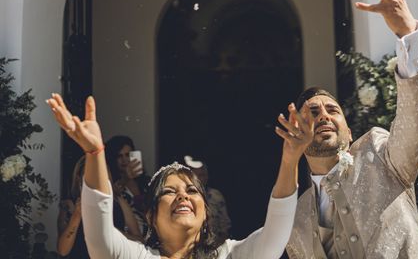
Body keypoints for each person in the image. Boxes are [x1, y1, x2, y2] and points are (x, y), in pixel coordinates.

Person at [286, 0, 418, 259]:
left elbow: (416, 123)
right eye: (312, 112)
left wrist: (408, 34)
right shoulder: (295, 215)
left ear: (349, 129)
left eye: (332, 110)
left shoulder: (379, 154)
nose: (324, 115)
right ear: (295, 131)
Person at [46, 94, 313, 259]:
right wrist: (95, 152)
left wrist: (290, 160)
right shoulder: (135, 255)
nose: (183, 195)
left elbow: (277, 232)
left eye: (191, 190)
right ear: (150, 215)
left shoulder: (231, 255)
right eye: (170, 191)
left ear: (206, 213)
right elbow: (98, 230)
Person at [57, 155, 143, 257]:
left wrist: (114, 232)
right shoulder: (69, 206)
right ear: (79, 179)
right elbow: (62, 250)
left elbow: (140, 241)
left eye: (103, 174)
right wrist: (77, 214)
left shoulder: (118, 202)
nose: (98, 180)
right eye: (91, 176)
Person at [105, 135, 149, 235]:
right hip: (128, 237)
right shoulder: (111, 183)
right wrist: (126, 178)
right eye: (119, 156)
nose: (124, 160)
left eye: (128, 155)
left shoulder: (146, 182)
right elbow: (113, 193)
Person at [184, 155, 232, 241]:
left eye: (203, 175)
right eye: (197, 175)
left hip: (214, 245)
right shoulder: (184, 197)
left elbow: (225, 226)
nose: (200, 178)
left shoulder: (216, 196)